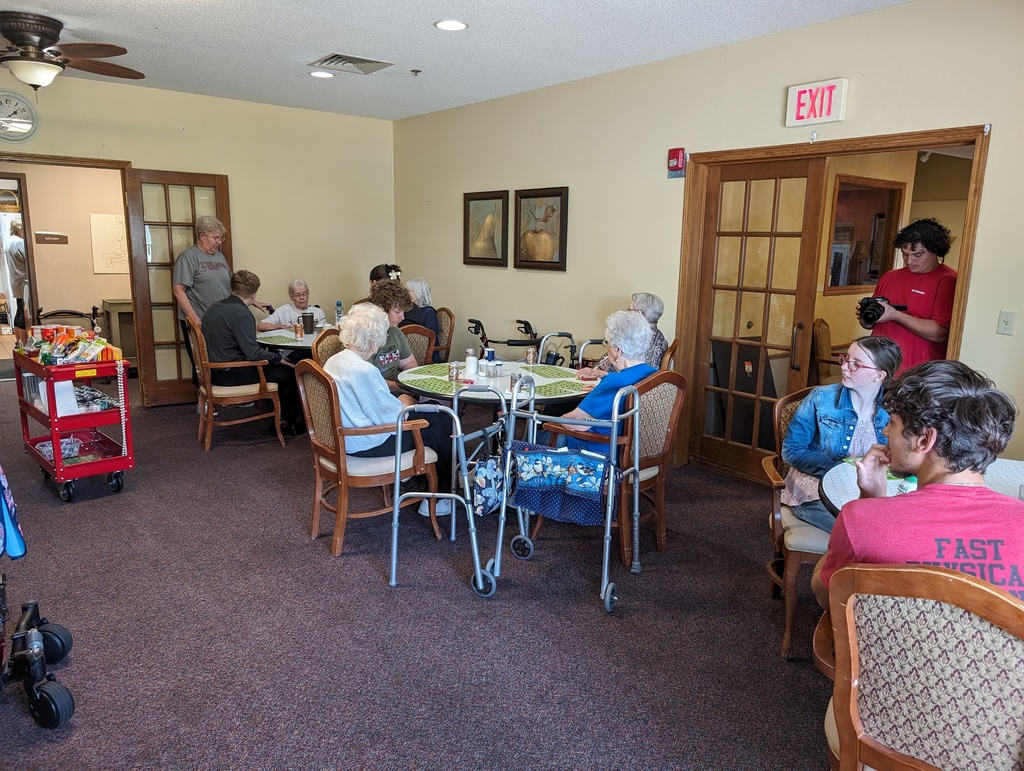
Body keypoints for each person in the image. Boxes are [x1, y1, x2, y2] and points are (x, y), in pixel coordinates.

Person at [812, 359, 1024, 608]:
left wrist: (870, 503)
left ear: (924, 440)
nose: (885, 433)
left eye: (892, 422)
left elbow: (825, 595)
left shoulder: (859, 519)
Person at [324, 304, 456, 516]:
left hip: (340, 438)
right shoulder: (364, 370)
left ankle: (428, 484)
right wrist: (407, 404)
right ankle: (440, 496)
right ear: (372, 339)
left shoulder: (334, 361)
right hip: (366, 443)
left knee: (432, 418)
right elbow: (392, 418)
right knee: (442, 420)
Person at [780, 336, 902, 533]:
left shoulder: (895, 408)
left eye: (856, 364)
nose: (845, 367)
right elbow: (792, 450)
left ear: (880, 375)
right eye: (845, 359)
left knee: (892, 526)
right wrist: (839, 471)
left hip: (871, 490)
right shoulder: (821, 398)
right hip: (816, 489)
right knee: (863, 531)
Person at [201, 270, 302, 434]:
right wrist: (277, 358)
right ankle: (286, 423)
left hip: (214, 371)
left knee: (277, 368)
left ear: (231, 288)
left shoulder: (214, 308)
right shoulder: (242, 314)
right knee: (289, 372)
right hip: (231, 373)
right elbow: (253, 354)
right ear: (255, 295)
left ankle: (276, 415)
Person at [548, 310, 658, 454]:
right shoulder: (655, 376)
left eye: (608, 343)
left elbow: (575, 421)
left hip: (599, 453)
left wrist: (548, 422)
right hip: (637, 453)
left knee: (537, 433)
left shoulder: (613, 382)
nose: (607, 348)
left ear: (618, 350)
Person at [857, 217, 956, 375]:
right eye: (905, 254)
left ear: (936, 251)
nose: (909, 261)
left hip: (917, 372)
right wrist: (866, 317)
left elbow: (940, 334)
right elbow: (871, 325)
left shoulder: (948, 280)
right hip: (879, 366)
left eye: (918, 255)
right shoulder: (890, 276)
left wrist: (895, 315)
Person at [173, 216, 233, 385]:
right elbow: (178, 290)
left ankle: (223, 397)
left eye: (221, 238)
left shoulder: (220, 257)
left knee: (221, 359)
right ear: (202, 236)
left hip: (220, 320)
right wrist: (194, 318)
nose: (219, 242)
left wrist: (250, 300)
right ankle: (204, 402)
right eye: (216, 238)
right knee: (201, 361)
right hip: (199, 319)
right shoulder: (188, 257)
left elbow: (230, 285)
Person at [577, 292, 668, 380]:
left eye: (629, 309)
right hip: (604, 379)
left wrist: (600, 376)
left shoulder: (642, 340)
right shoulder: (653, 336)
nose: (627, 313)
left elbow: (636, 379)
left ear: (639, 313)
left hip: (615, 387)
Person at [368, 279, 417, 388]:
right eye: (397, 312)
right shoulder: (365, 336)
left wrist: (412, 381)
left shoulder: (396, 332)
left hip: (396, 385)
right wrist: (401, 387)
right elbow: (369, 381)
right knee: (413, 403)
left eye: (403, 312)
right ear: (381, 310)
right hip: (377, 391)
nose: (402, 317)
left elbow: (409, 363)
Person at [257, 279, 327, 332]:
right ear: (291, 296)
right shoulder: (283, 310)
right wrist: (278, 326)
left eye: (304, 293)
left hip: (311, 349)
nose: (302, 297)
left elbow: (325, 333)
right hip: (290, 349)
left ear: (308, 294)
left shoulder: (318, 312)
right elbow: (260, 326)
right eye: (297, 294)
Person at [399, 277, 441, 362]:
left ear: (417, 294)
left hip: (427, 355)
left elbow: (430, 337)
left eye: (407, 291)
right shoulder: (408, 311)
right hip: (409, 351)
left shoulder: (428, 312)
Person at [5, 220, 28, 344]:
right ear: (19, 229)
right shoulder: (19, 242)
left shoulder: (9, 242)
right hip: (23, 279)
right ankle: (24, 344)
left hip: (15, 279)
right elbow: (28, 259)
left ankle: (18, 342)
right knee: (24, 312)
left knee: (19, 309)